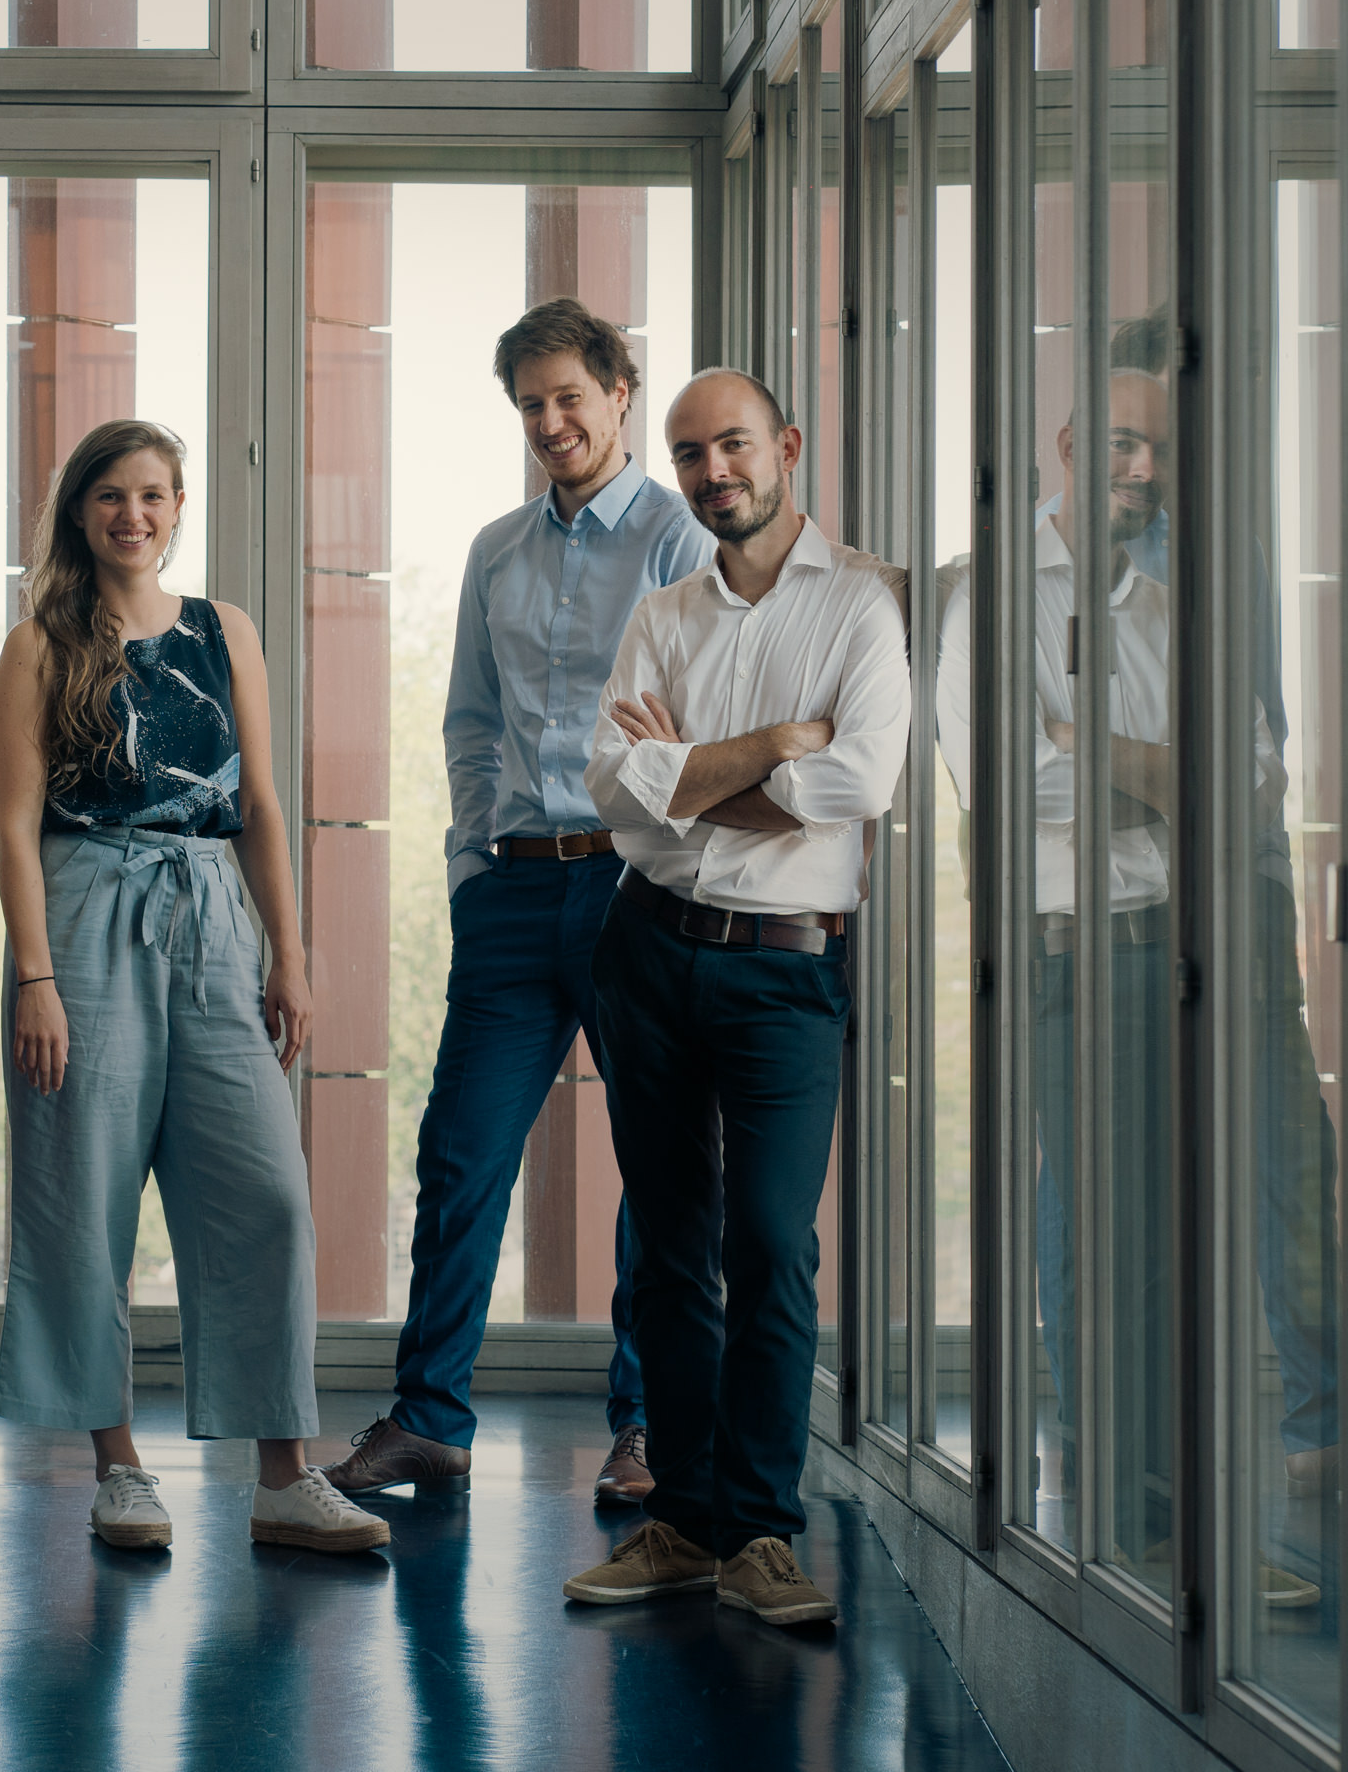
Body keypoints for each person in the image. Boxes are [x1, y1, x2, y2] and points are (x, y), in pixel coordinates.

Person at [941, 367, 1329, 1601]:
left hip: (1177, 936)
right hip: (1074, 946)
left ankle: (1161, 1526)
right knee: (1097, 1240)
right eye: (1117, 444)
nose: (1140, 471)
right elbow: (1006, 784)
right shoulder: (993, 594)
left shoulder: (1184, 594)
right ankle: (1113, 1518)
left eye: (1155, 451)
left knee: (1165, 1244)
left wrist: (1093, 748)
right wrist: (1159, 771)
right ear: (1064, 443)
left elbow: (1251, 774)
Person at [324, 299, 711, 1510]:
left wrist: (662, 857)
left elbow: (693, 721)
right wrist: (468, 863)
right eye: (530, 405)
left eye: (568, 398)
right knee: (459, 1155)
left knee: (654, 1167)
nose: (550, 423)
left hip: (632, 879)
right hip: (512, 886)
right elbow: (470, 719)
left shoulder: (674, 537)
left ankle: (643, 1423)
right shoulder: (497, 548)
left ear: (618, 394)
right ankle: (431, 1417)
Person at [0, 418, 388, 1555]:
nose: (134, 513)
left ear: (178, 505)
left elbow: (261, 804)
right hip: (80, 910)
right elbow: (14, 824)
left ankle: (282, 1476)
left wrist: (291, 955)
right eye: (110, 493)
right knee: (83, 1197)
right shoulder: (40, 644)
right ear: (80, 509)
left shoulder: (225, 632)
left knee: (268, 1196)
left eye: (155, 493)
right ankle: (116, 1468)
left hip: (213, 915)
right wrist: (35, 977)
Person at [564, 367, 910, 1627]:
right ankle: (687, 1520)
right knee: (667, 1247)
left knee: (768, 1242)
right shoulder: (662, 613)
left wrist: (686, 772)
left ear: (787, 448)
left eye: (734, 446)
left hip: (783, 962)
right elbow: (612, 783)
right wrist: (771, 745)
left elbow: (862, 777)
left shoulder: (861, 605)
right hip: (646, 946)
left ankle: (760, 1530)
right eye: (691, 452)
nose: (714, 471)